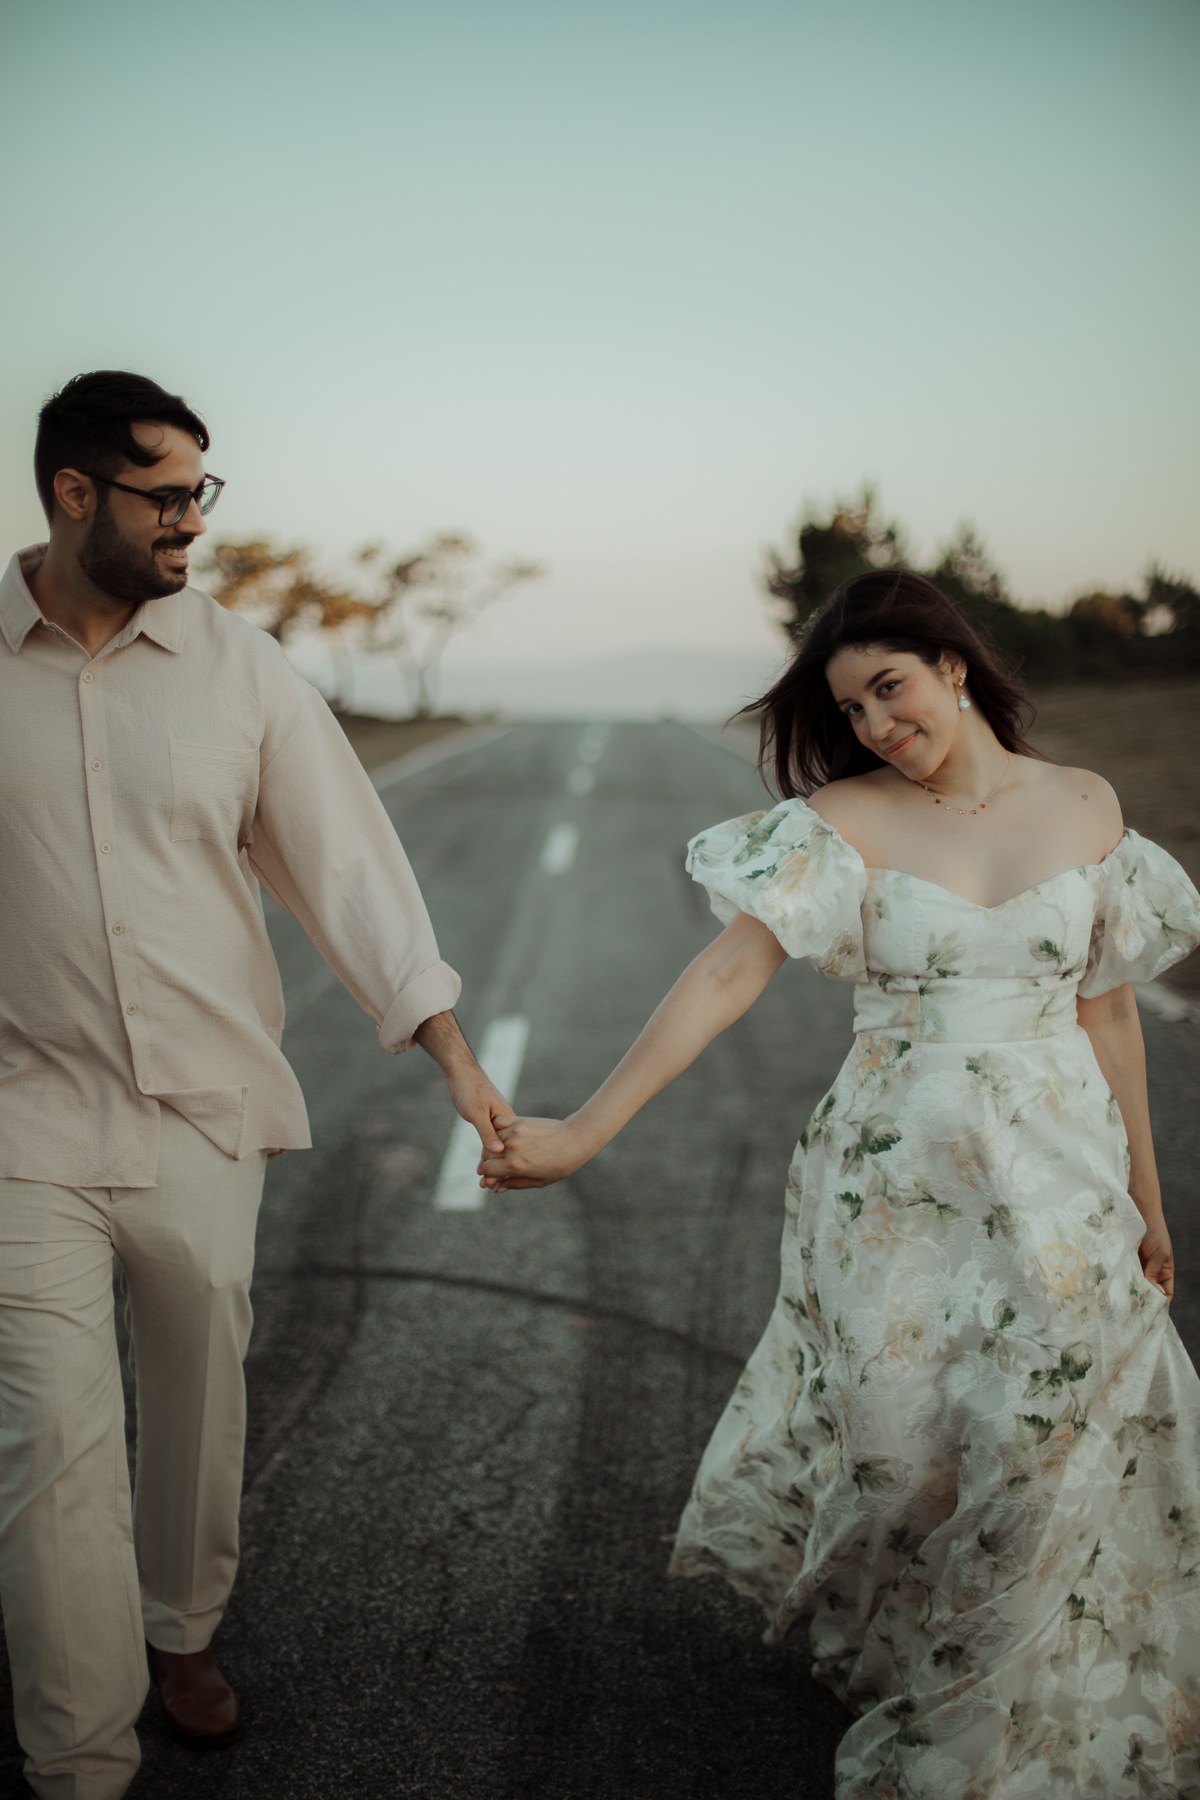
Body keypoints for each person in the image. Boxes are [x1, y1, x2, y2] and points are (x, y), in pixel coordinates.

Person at [479, 570, 1200, 1797]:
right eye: (853, 708)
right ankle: (920, 1626)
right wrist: (582, 1133)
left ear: (954, 669)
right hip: (890, 1191)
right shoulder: (844, 820)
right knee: (907, 1454)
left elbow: (1112, 1007)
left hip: (1062, 1184)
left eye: (890, 688)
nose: (874, 723)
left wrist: (1149, 1193)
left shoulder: (1084, 804)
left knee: (1047, 1436)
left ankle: (1007, 1709)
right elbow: (723, 978)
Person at [0, 370, 514, 1800]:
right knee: (49, 1442)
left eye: (201, 497)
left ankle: (179, 1630)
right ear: (73, 494)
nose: (194, 527)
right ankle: (82, 1760)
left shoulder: (241, 668)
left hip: (203, 1117)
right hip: (22, 1121)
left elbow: (347, 867)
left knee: (196, 1391)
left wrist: (454, 1059)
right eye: (168, 498)